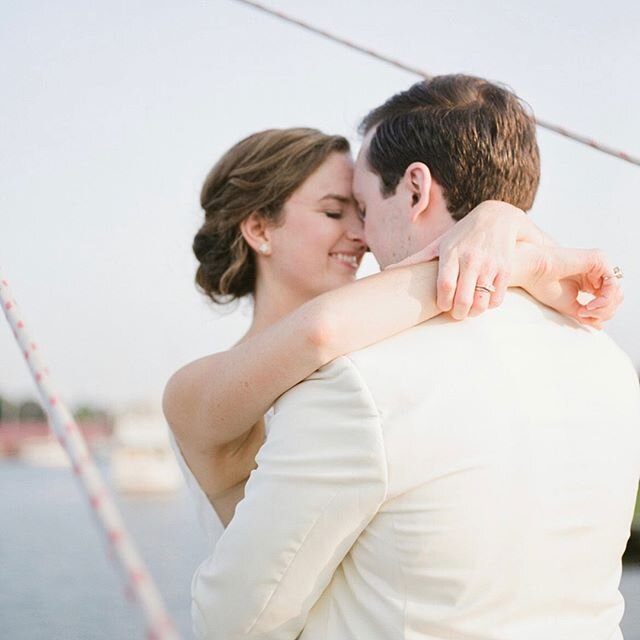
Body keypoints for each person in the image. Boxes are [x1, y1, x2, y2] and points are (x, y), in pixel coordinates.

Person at [185, 76, 639, 640]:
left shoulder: (359, 380)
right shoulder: (609, 365)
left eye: (362, 205)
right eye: (337, 211)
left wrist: (512, 238)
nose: (363, 235)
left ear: (416, 189)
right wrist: (522, 250)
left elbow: (237, 622)